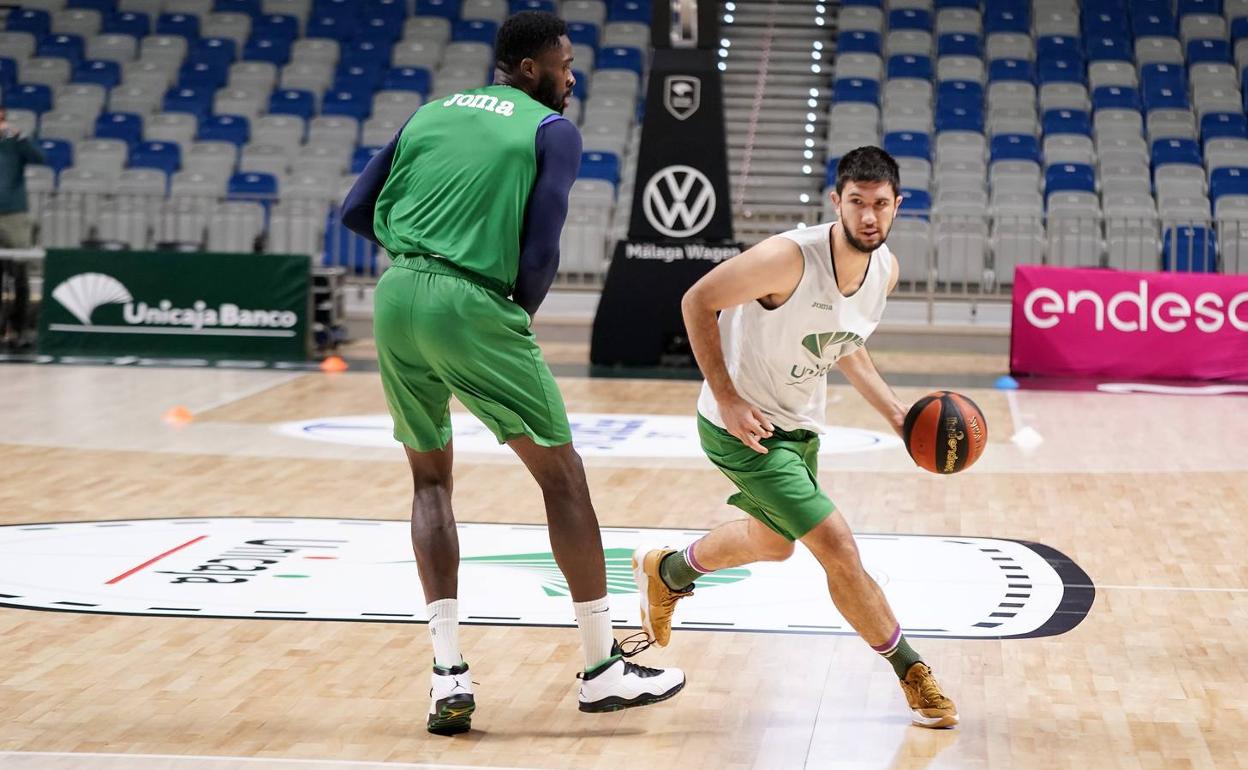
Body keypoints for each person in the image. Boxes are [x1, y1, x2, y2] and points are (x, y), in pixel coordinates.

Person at [340, 11, 684, 736]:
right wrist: (507, 310)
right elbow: (542, 247)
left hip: (396, 294)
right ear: (530, 70)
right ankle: (601, 670)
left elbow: (354, 209)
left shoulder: (430, 111)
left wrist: (419, 253)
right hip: (472, 303)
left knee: (430, 481)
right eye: (565, 63)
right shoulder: (551, 131)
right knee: (563, 479)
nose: (572, 75)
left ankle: (447, 676)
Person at [633, 146, 959, 729]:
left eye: (880, 205)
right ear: (836, 201)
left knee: (774, 544)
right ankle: (912, 673)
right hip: (743, 429)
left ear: (897, 207)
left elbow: (844, 340)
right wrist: (728, 398)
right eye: (856, 203)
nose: (868, 217)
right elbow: (697, 300)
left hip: (801, 426)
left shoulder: (885, 269)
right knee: (837, 546)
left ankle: (668, 572)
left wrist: (894, 414)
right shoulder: (788, 259)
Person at [0, 108, 44, 347]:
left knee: (20, 274)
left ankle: (20, 329)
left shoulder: (14, 143)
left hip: (15, 215)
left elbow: (40, 158)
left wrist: (20, 138)